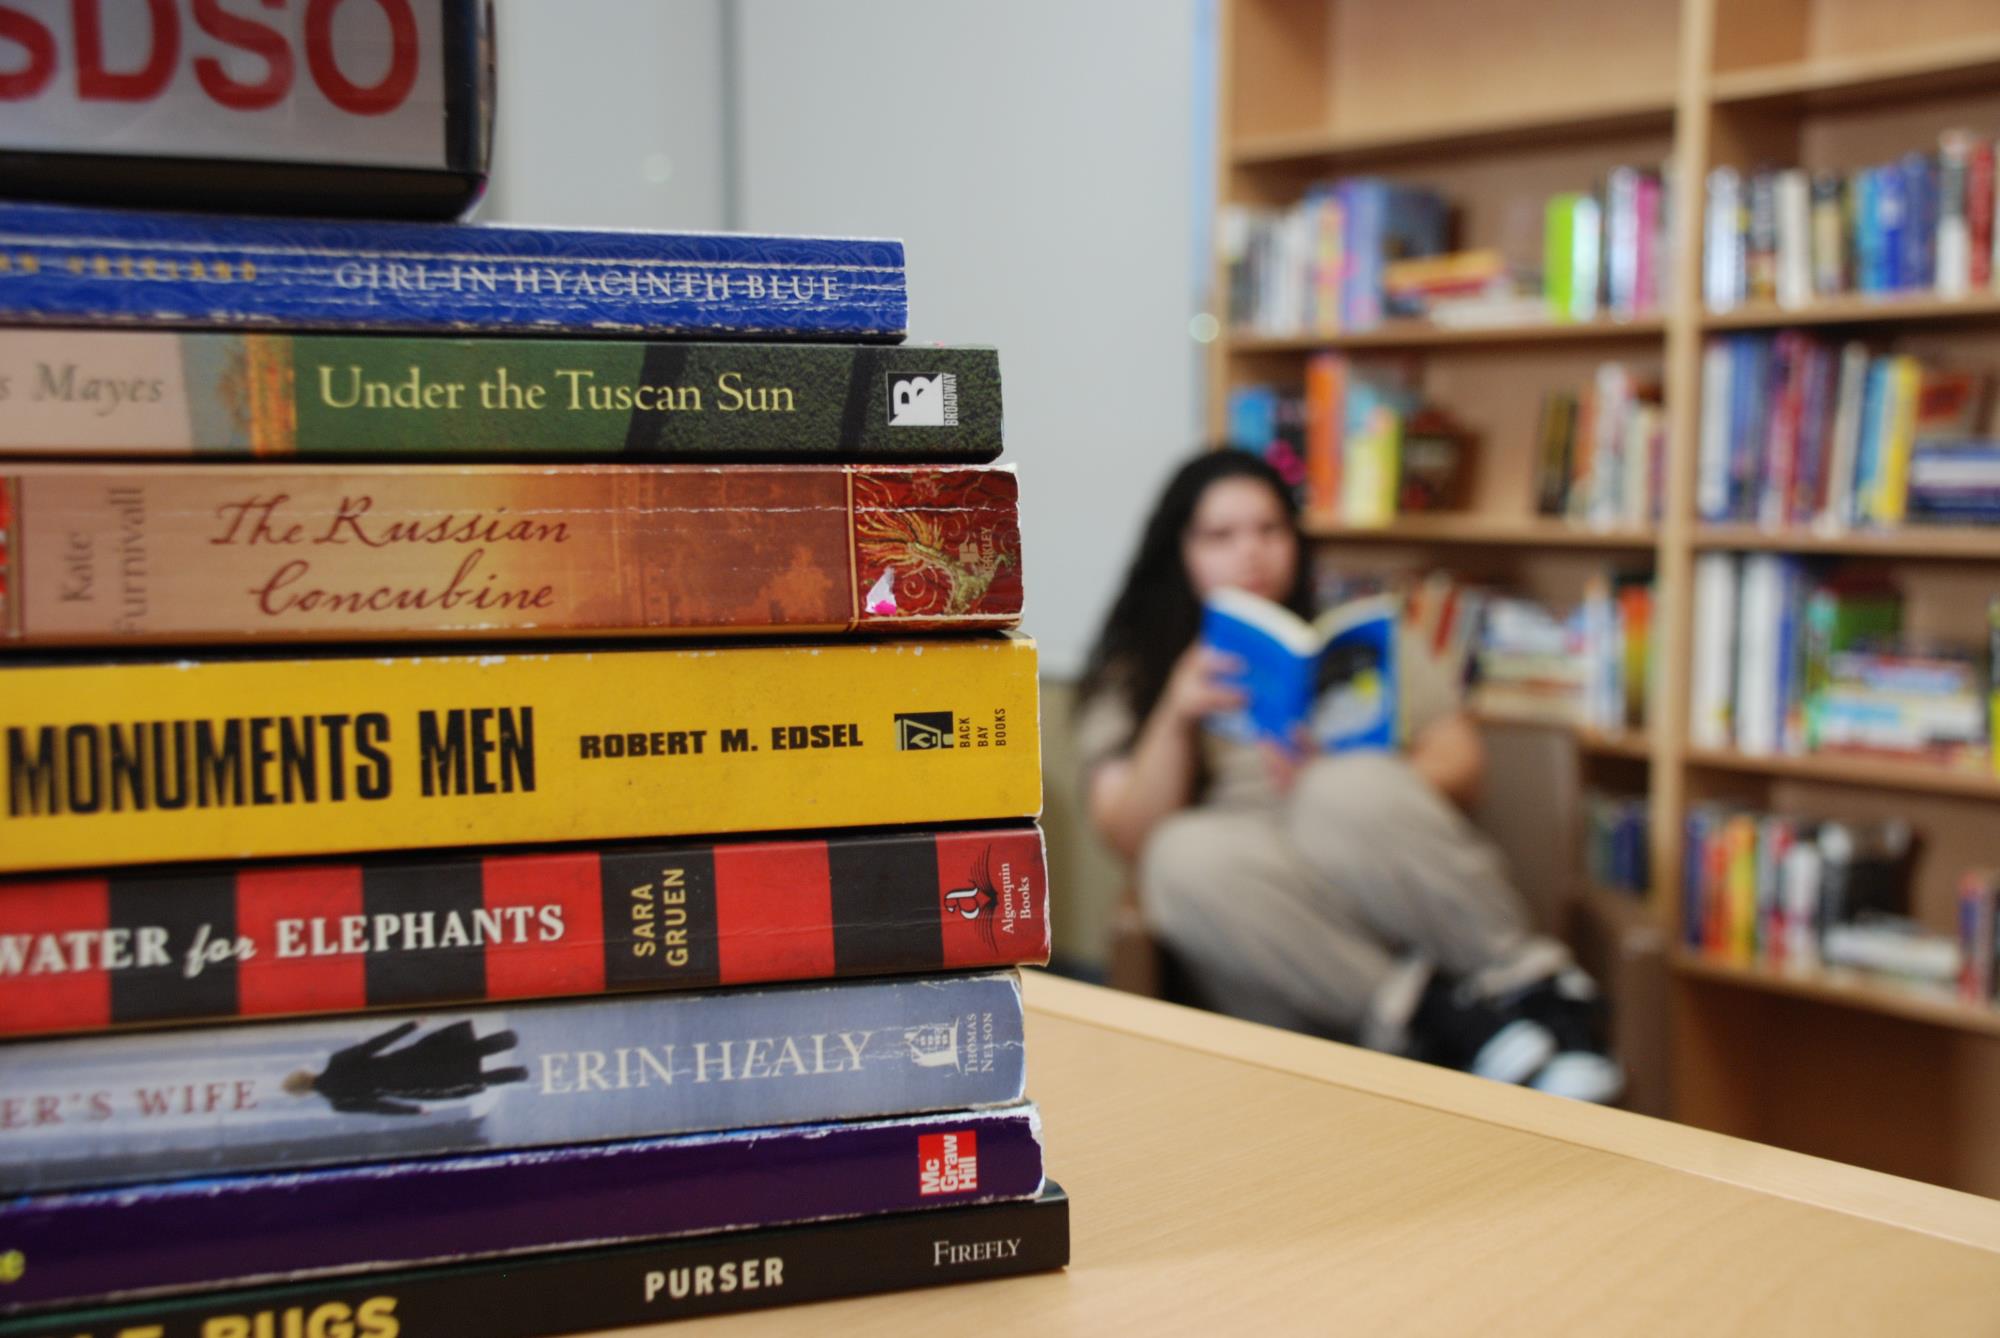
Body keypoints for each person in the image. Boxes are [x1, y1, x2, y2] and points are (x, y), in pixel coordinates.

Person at [1076, 449, 1620, 1101]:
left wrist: (1342, 775)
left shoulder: (1360, 639)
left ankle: (1534, 994)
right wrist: (1174, 713)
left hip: (1378, 871)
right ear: (1178, 551)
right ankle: (1437, 1024)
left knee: (1338, 790)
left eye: (1270, 530)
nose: (1250, 553)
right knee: (1175, 856)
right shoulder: (1135, 671)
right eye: (1221, 536)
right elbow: (1126, 834)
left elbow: (1463, 764)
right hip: (1277, 917)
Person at [282, 1019, 529, 1116]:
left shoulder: (338, 1103)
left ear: (304, 1091)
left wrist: (414, 1110)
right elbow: (376, 1044)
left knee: (463, 1078)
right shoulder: (337, 1061)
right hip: (401, 1061)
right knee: (457, 1053)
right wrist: (410, 1026)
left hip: (402, 1085)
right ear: (305, 1074)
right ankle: (509, 1039)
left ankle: (518, 1074)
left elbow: (379, 1107)